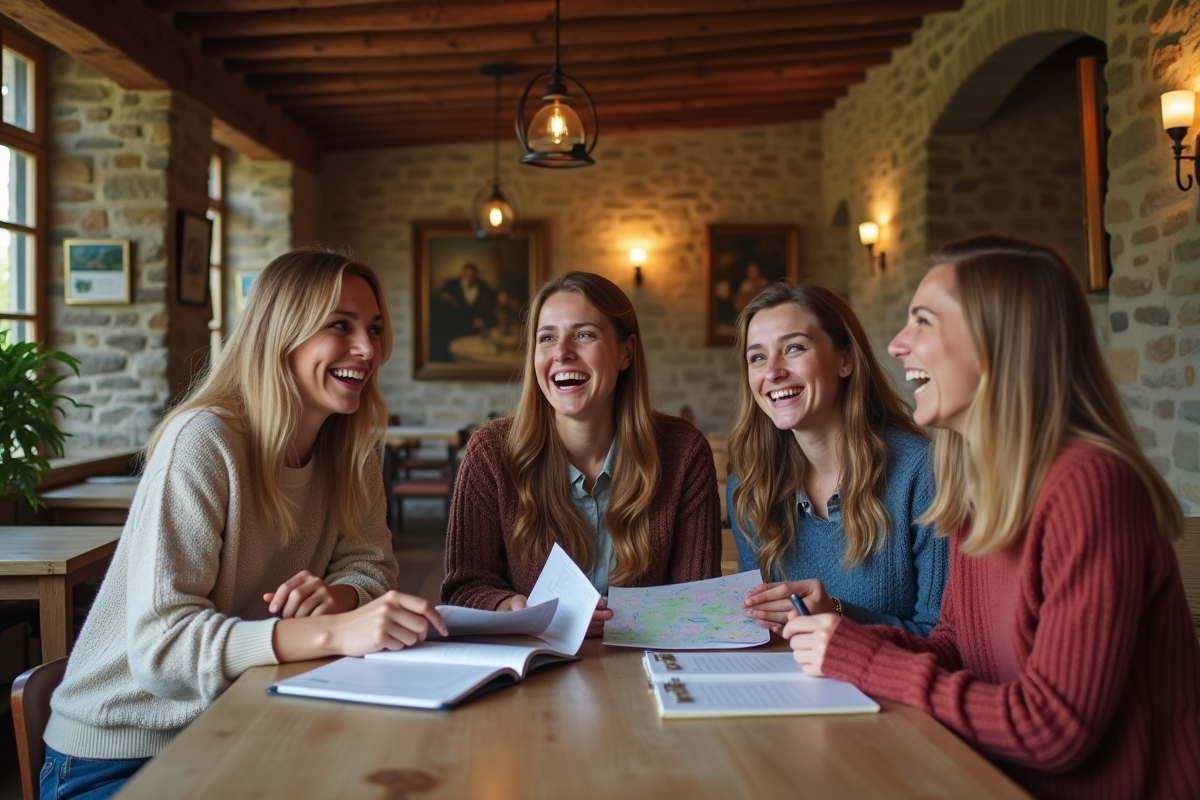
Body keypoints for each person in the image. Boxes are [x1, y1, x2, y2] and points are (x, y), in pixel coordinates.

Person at [785, 236, 1200, 799]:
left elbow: (1054, 729)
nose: (897, 344)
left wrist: (864, 659)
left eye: (923, 322)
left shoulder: (1089, 485)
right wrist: (843, 637)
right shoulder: (978, 487)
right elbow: (958, 648)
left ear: (999, 342)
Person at [41, 248, 447, 800]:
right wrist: (330, 632)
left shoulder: (352, 449)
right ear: (282, 333)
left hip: (252, 718)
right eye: (340, 325)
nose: (369, 349)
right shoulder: (203, 441)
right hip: (125, 752)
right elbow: (162, 648)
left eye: (374, 328)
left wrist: (342, 596)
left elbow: (371, 563)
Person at [442, 271, 722, 636]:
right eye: (547, 338)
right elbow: (463, 588)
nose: (562, 352)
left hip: (648, 670)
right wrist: (509, 608)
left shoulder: (684, 451)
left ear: (626, 352)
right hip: (535, 672)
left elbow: (697, 600)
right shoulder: (490, 453)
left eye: (584, 335)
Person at [729, 282, 948, 635]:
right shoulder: (750, 486)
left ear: (844, 360)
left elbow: (943, 638)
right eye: (757, 357)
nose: (772, 372)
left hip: (887, 688)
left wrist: (837, 614)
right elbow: (756, 627)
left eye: (794, 348)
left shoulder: (922, 472)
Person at [432, 262, 496, 360]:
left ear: (475, 276)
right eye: (467, 275)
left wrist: (483, 319)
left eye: (472, 275)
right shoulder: (451, 285)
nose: (469, 278)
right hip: (454, 328)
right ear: (463, 275)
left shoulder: (483, 288)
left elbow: (490, 306)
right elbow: (440, 301)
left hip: (474, 331)